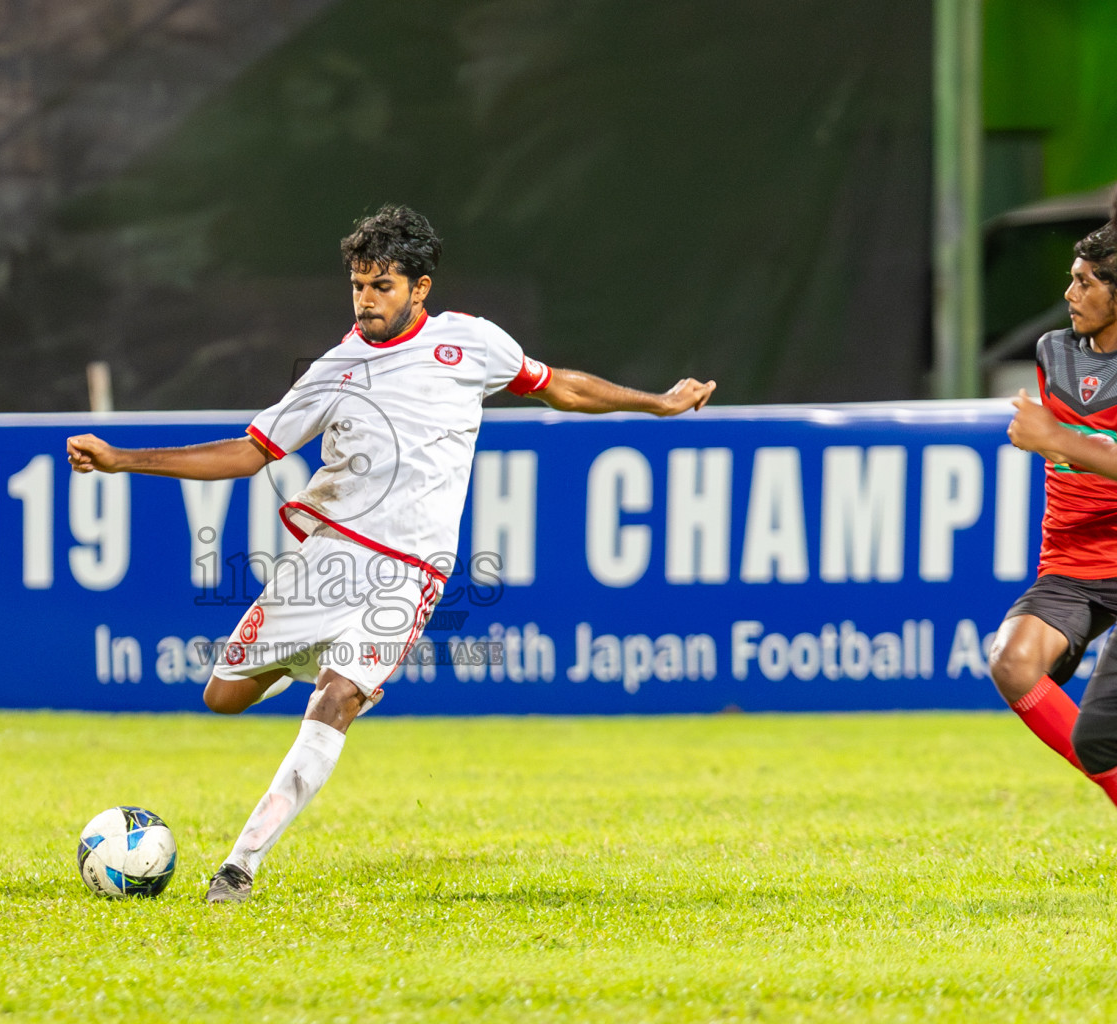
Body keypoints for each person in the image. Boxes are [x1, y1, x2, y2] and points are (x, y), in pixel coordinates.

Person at [67, 204, 716, 902]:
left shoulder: (472, 345)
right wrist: (123, 459)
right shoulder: (333, 370)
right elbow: (249, 453)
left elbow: (558, 384)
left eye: (381, 285)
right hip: (327, 559)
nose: (367, 299)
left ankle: (240, 866)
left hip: (408, 574)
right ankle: (313, 660)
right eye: (357, 285)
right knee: (222, 698)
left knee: (340, 697)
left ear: (419, 288)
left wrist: (657, 403)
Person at [998, 220, 1117, 804]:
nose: (1070, 294)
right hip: (1071, 565)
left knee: (1103, 726)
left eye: (1085, 282)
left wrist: (1056, 438)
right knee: (1012, 661)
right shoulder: (1053, 353)